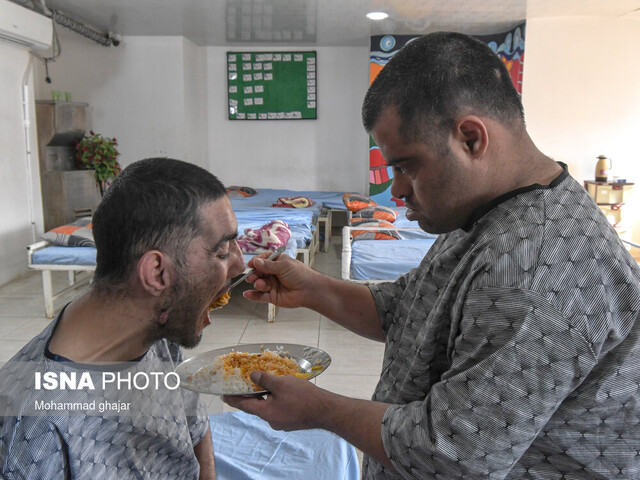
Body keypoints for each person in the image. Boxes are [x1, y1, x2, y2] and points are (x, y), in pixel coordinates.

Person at [225, 32, 640, 479]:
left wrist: (320, 410)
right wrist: (316, 288)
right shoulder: (486, 213)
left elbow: (452, 453)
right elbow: (411, 310)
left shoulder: (538, 265)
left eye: (406, 166)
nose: (397, 190)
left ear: (471, 139)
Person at [0, 158, 245, 479]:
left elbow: (195, 430)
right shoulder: (37, 429)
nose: (242, 265)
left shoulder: (155, 327)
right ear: (157, 272)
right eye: (222, 251)